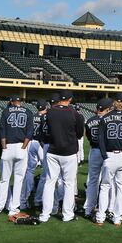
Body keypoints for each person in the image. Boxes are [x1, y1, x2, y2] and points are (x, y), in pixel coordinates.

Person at [39, 90, 84, 223]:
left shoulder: (50, 112)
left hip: (52, 151)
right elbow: (80, 134)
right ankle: (67, 214)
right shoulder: (75, 114)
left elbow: (45, 131)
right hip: (69, 152)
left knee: (49, 182)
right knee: (68, 184)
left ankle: (44, 214)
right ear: (70, 100)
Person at [94, 93, 122, 226]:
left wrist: (104, 155)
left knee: (105, 187)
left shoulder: (105, 118)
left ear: (114, 103)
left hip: (109, 156)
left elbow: (100, 139)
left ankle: (100, 217)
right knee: (121, 189)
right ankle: (117, 218)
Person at [0, 95, 34, 216]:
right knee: (18, 180)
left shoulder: (6, 111)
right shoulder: (28, 111)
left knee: (4, 180)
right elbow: (30, 131)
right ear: (20, 102)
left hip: (8, 146)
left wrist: (4, 146)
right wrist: (24, 146)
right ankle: (14, 208)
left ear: (11, 102)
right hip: (21, 146)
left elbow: (2, 129)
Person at [83, 98, 113, 218]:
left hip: (94, 150)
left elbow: (89, 137)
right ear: (108, 109)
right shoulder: (109, 120)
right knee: (108, 182)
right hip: (107, 151)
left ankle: (88, 208)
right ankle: (108, 208)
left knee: (93, 180)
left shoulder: (90, 120)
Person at [21, 99, 48, 210]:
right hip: (40, 144)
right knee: (45, 173)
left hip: (30, 142)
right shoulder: (44, 117)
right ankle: (38, 200)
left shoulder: (31, 116)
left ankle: (26, 196)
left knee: (30, 170)